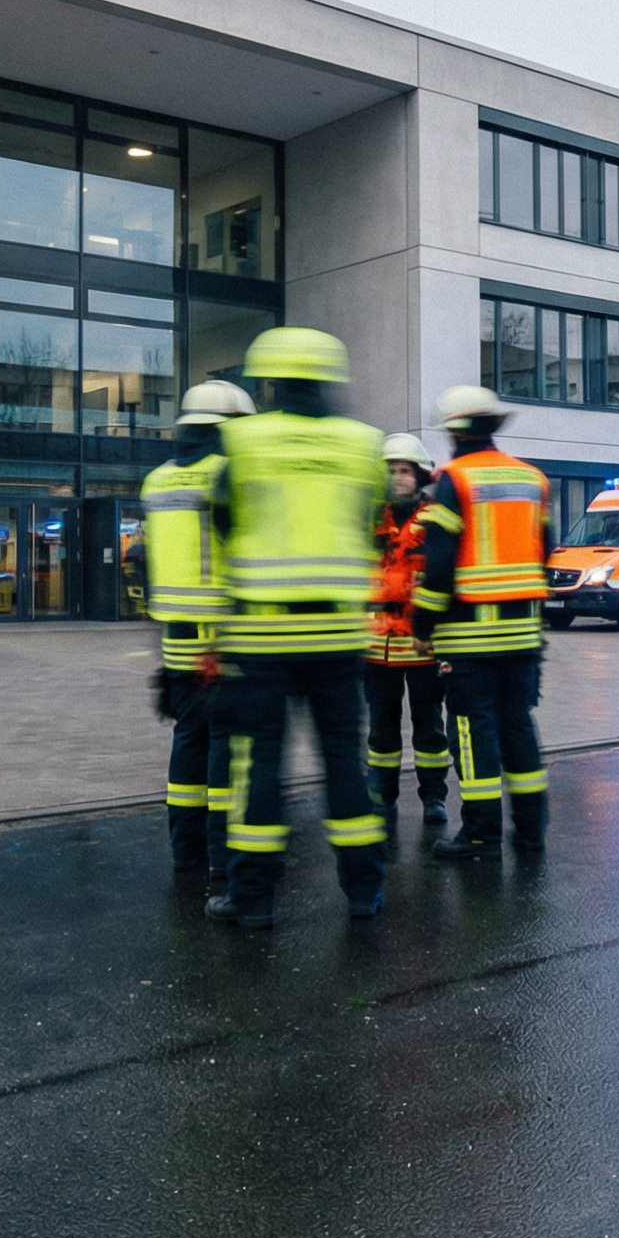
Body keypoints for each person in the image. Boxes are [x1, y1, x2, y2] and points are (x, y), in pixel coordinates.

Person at [205, 327, 387, 928]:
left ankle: (252, 900)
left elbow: (225, 522)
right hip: (338, 634)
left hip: (261, 634)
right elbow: (366, 521)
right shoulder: (363, 444)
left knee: (259, 767)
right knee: (344, 763)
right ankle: (364, 892)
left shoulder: (242, 438)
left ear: (272, 379)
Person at [414, 385, 554, 859]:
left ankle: (481, 834)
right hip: (524, 633)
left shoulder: (454, 480)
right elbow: (545, 551)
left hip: (470, 636)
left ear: (454, 430)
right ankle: (532, 831)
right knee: (519, 727)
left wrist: (422, 622)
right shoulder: (532, 478)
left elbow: (438, 566)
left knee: (474, 733)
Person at [141, 379, 254, 878]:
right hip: (224, 635)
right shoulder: (226, 474)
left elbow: (149, 563)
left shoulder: (156, 481)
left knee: (188, 740)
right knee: (226, 745)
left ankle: (184, 849)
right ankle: (223, 853)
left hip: (176, 637)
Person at [368, 432, 453, 823]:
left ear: (420, 475)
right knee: (381, 729)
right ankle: (381, 796)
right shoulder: (371, 521)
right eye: (392, 470)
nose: (398, 477)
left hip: (423, 644)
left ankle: (434, 797)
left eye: (405, 470)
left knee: (429, 728)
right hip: (377, 646)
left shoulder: (436, 518)